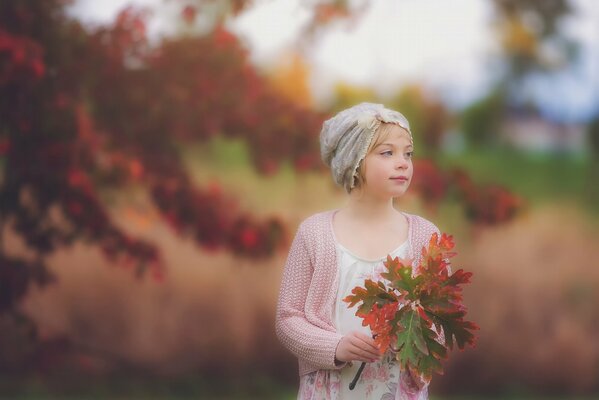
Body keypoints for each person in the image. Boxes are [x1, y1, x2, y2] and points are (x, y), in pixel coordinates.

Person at [275, 102, 444, 399]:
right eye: (387, 152)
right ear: (352, 160)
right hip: (329, 392)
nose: (403, 162)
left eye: (408, 153)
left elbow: (440, 323)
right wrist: (335, 347)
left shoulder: (425, 237)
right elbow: (288, 319)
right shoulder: (314, 234)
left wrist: (409, 338)